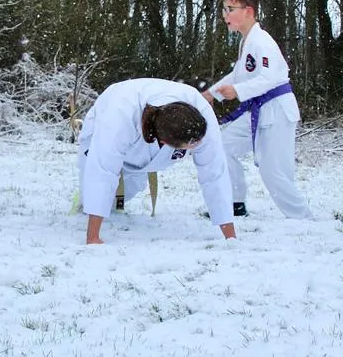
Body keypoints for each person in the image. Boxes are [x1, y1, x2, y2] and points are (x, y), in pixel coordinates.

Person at [77, 78, 236, 245]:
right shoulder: (120, 113)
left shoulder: (200, 114)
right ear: (165, 143)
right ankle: (85, 199)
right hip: (106, 123)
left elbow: (214, 173)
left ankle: (115, 195)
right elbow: (103, 169)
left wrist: (230, 236)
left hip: (154, 137)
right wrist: (93, 237)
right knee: (92, 194)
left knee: (128, 191)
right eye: (192, 144)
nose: (200, 145)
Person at [201, 0, 311, 219]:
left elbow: (268, 78)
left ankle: (301, 216)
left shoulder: (262, 42)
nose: (225, 15)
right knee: (224, 146)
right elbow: (238, 74)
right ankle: (234, 203)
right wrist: (210, 94)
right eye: (224, 10)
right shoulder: (247, 41)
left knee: (274, 170)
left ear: (248, 11)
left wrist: (237, 91)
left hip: (276, 110)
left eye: (230, 9)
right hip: (260, 109)